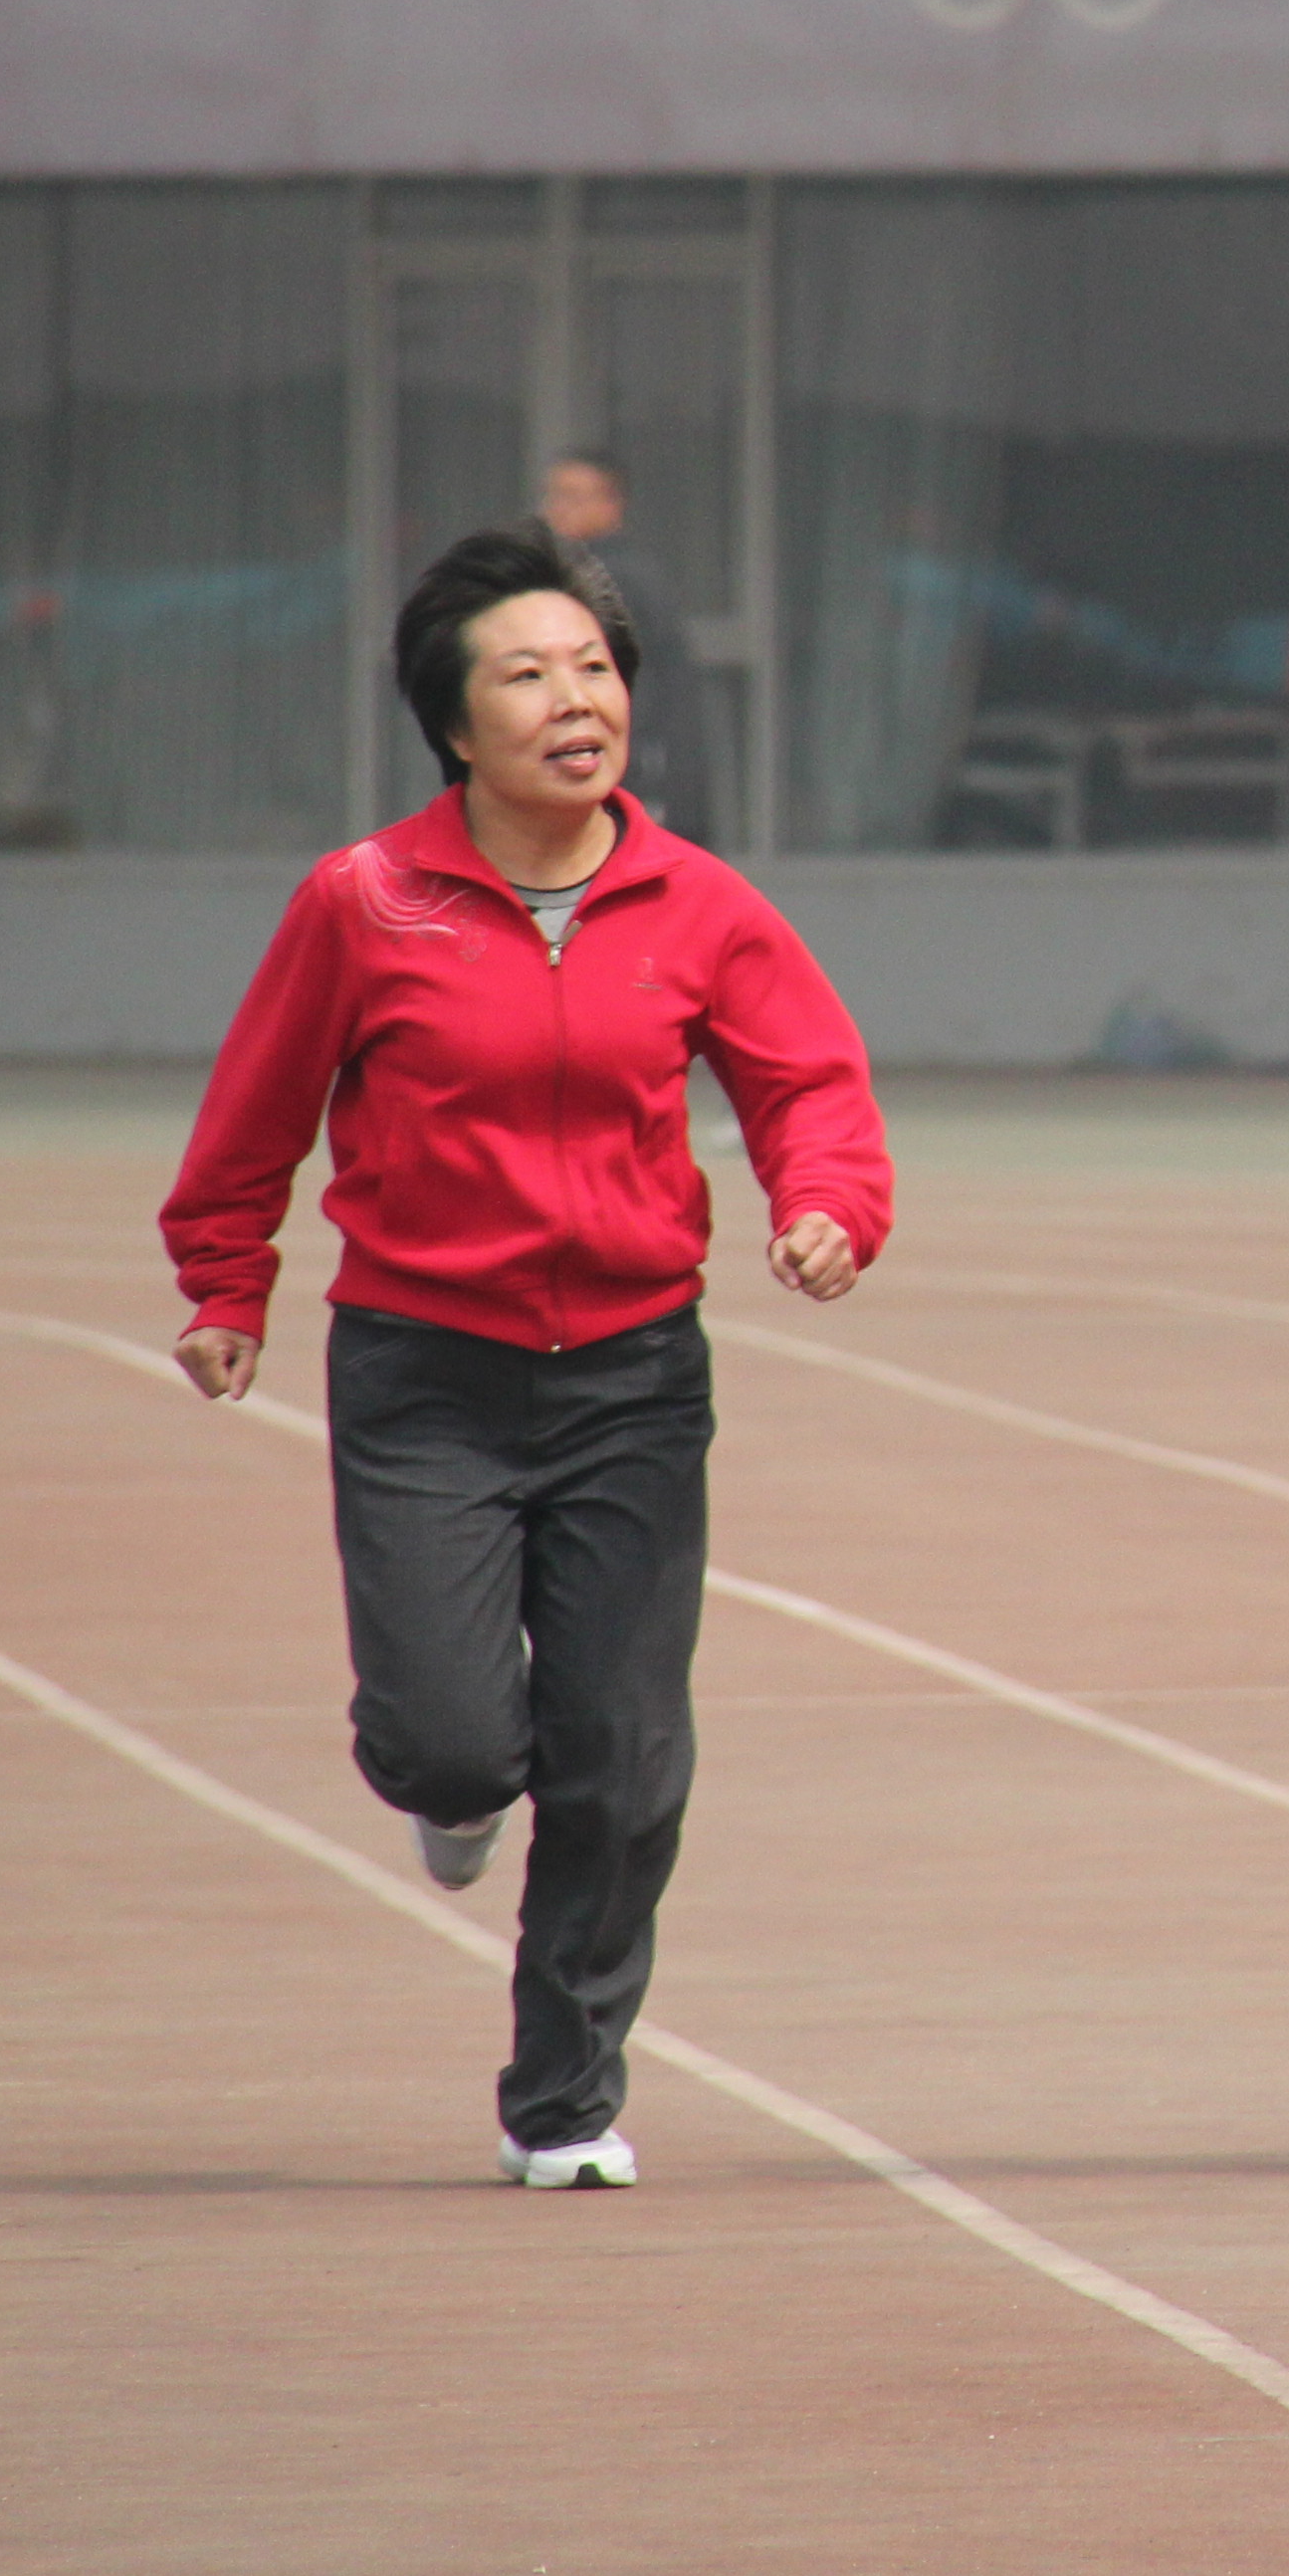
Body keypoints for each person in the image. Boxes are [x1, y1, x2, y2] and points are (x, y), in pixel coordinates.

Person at [160, 523, 891, 2188]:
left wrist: (828, 1208)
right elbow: (258, 1110)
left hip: (633, 1376)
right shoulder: (363, 901)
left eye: (596, 668)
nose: (578, 700)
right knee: (452, 1741)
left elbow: (809, 1084)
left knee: (623, 1762)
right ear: (453, 724)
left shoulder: (699, 904)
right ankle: (454, 1784)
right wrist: (224, 1285)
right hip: (426, 1373)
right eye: (528, 674)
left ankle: (563, 2103)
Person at [537, 448, 725, 849]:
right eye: (555, 496)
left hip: (628, 769)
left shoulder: (611, 581)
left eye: (574, 497)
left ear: (611, 504)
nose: (560, 509)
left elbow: (646, 685)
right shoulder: (582, 573)